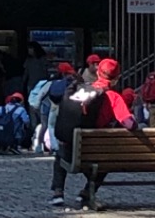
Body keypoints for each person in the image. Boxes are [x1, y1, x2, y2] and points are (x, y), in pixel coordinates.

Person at [50, 57, 137, 209]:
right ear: (117, 78)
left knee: (60, 154)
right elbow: (129, 123)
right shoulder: (114, 97)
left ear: (98, 73)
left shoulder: (82, 90)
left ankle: (58, 192)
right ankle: (85, 193)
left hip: (72, 151)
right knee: (105, 163)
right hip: (97, 154)